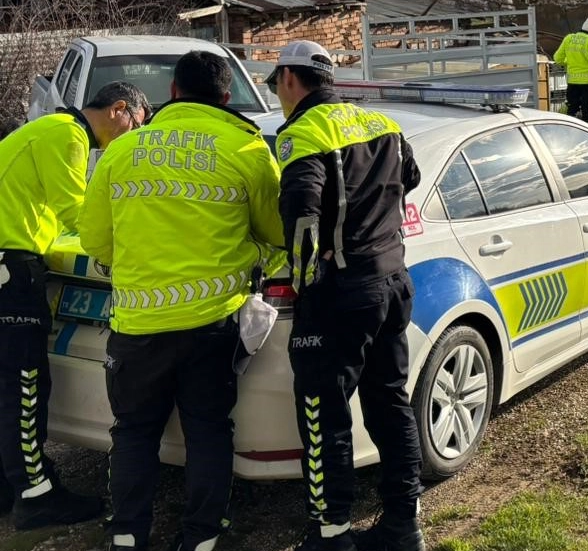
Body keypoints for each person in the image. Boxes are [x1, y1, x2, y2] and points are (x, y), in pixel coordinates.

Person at [80, 52, 284, 551]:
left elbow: (94, 239)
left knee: (132, 432)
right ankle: (202, 538)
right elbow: (278, 234)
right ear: (225, 96)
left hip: (136, 325)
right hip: (211, 325)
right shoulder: (246, 148)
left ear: (172, 91)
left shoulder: (123, 151)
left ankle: (127, 535)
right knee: (208, 430)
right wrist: (257, 257)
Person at [266, 41, 424, 551]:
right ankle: (404, 524)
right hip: (393, 280)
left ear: (290, 79)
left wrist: (304, 283)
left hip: (341, 292)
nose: (278, 94)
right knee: (390, 402)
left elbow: (302, 218)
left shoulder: (303, 132)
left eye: (276, 84)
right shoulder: (380, 121)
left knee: (322, 414)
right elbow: (411, 177)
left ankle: (331, 535)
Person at [0, 81, 148, 531]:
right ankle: (36, 496)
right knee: (24, 387)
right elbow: (78, 216)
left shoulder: (47, 129)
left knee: (7, 386)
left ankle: (10, 487)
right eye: (136, 126)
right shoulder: (67, 135)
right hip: (11, 269)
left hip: (9, 261)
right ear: (120, 109)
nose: (131, 138)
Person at [553, 17, 588, 124]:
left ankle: (570, 130)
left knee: (572, 109)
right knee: (587, 110)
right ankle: (587, 131)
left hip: (572, 82)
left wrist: (570, 62)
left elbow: (557, 58)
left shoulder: (569, 38)